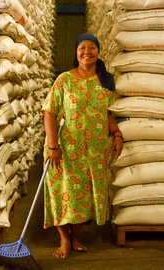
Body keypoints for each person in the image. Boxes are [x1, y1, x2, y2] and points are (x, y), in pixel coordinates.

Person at [41, 33, 124, 259]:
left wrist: (117, 133)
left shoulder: (105, 81)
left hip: (95, 150)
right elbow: (49, 111)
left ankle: (75, 235)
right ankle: (64, 239)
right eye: (82, 48)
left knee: (86, 195)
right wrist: (52, 146)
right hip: (65, 148)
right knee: (62, 192)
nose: (87, 52)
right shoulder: (64, 79)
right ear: (76, 53)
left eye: (92, 48)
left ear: (98, 52)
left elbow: (106, 113)